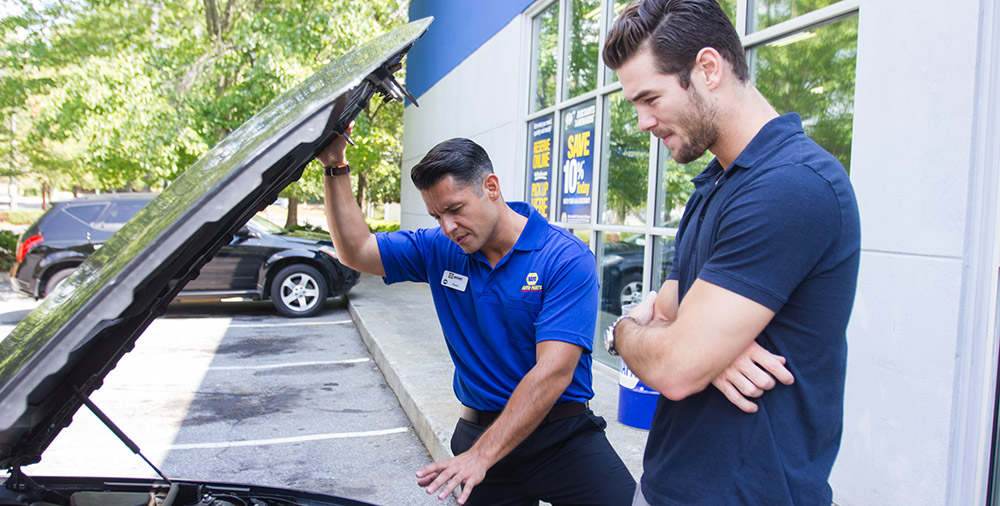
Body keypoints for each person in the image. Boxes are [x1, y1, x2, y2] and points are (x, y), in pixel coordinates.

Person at [601, 1, 861, 505]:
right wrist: (699, 349)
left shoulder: (792, 185)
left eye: (650, 98)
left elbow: (674, 369)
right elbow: (674, 312)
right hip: (670, 485)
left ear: (707, 68)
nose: (642, 122)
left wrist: (624, 332)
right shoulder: (715, 185)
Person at [317, 132, 636, 505]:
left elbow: (554, 372)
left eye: (455, 209)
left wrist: (481, 457)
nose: (448, 227)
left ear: (491, 187)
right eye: (437, 216)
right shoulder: (441, 249)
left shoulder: (563, 258)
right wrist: (335, 166)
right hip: (478, 433)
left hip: (561, 438)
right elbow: (356, 251)